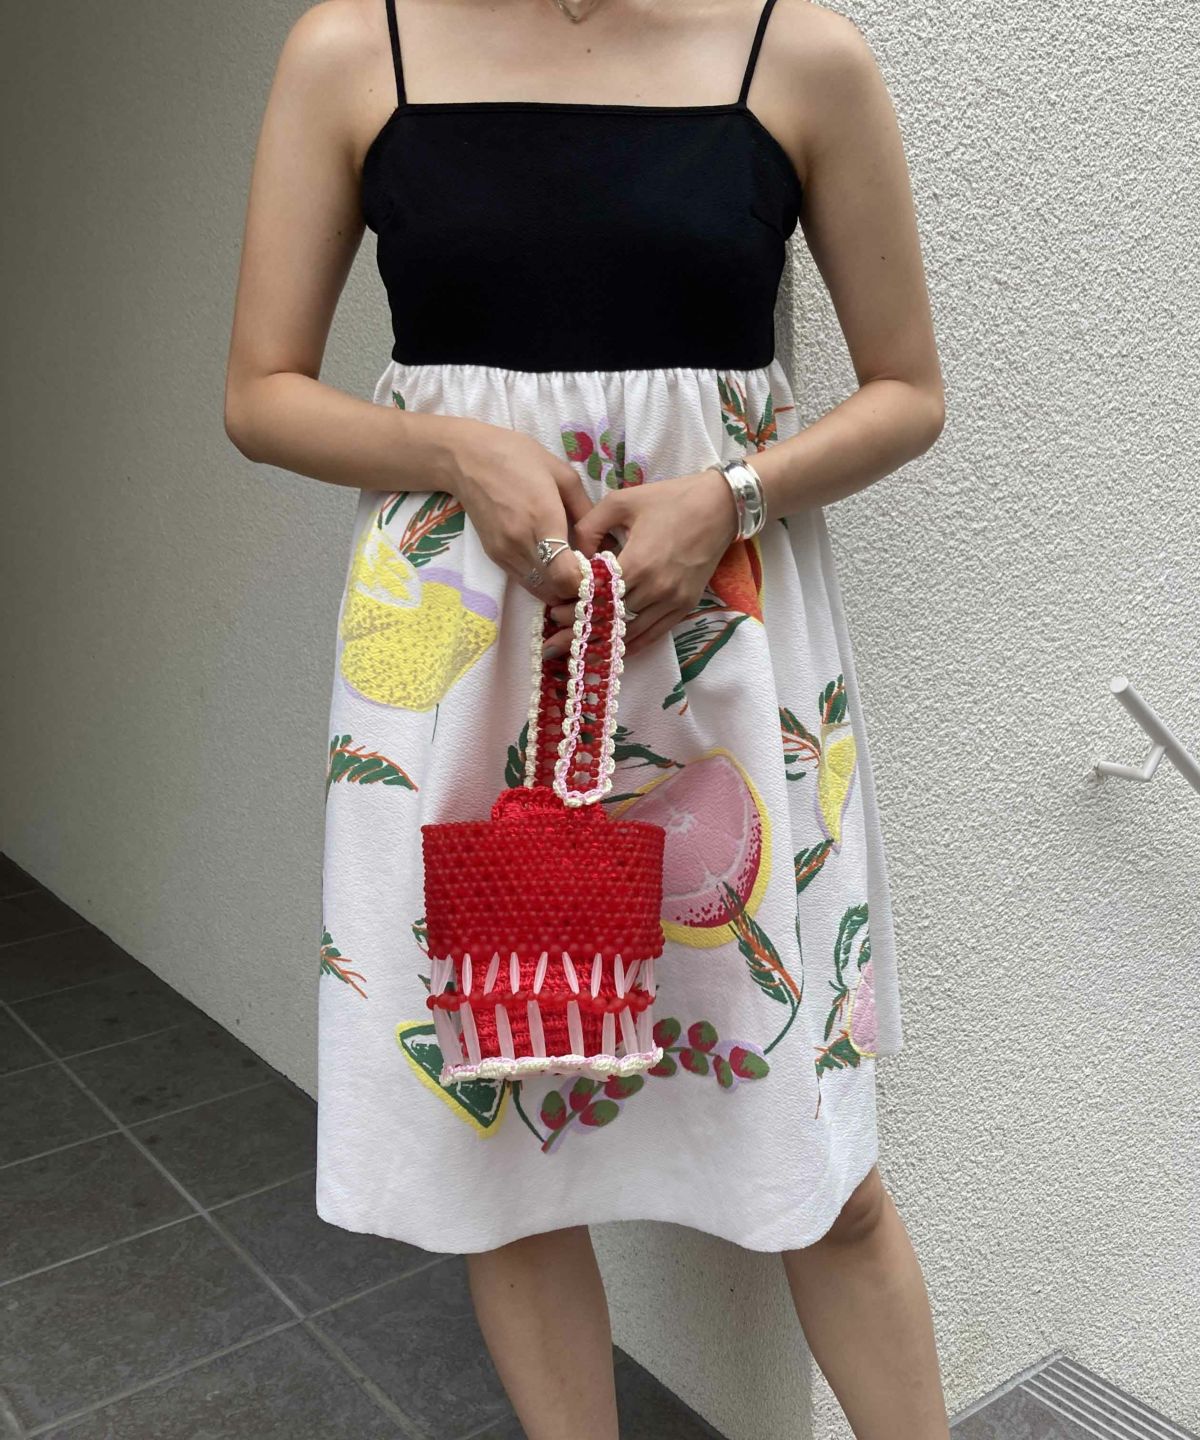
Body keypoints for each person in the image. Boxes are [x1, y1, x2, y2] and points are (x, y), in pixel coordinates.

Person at [224, 0, 947, 1434]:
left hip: (722, 662)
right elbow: (262, 393)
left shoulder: (797, 55)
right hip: (467, 666)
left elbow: (909, 391)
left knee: (820, 1161)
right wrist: (451, 448)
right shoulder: (354, 51)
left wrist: (731, 496)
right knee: (507, 1164)